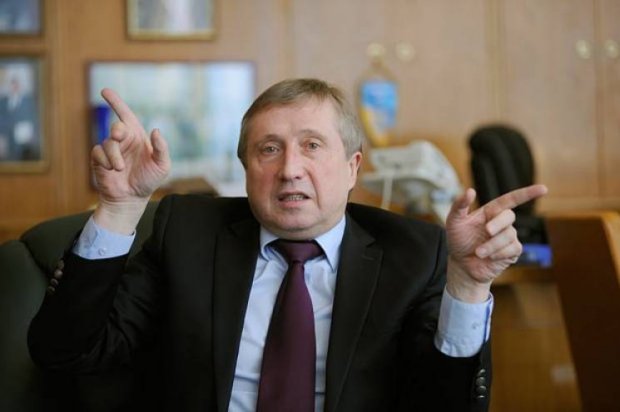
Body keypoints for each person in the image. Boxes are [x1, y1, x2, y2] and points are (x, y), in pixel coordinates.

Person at [28, 78, 547, 411]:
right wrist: (119, 208)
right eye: (268, 149)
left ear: (353, 168)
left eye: (312, 146)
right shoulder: (186, 232)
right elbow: (65, 351)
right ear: (246, 169)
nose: (289, 169)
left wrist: (468, 286)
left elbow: (448, 405)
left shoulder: (414, 254)